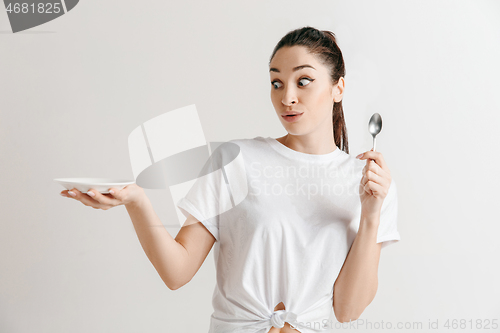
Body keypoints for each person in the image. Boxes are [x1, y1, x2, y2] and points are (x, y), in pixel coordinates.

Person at [60, 26, 400, 333]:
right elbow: (176, 272)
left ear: (338, 88)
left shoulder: (371, 183)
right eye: (276, 82)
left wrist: (371, 215)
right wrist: (137, 201)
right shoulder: (236, 160)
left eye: (304, 81)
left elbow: (348, 310)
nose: (287, 97)